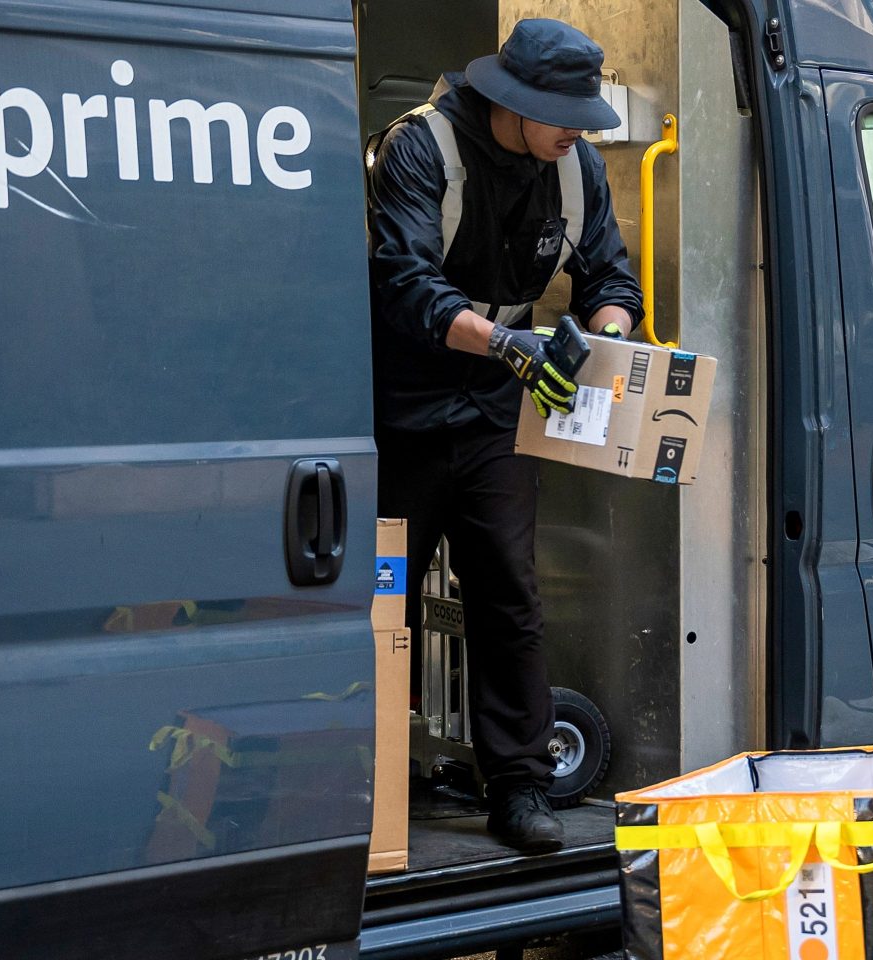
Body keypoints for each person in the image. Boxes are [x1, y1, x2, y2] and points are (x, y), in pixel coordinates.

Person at [367, 18, 645, 854]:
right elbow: (404, 283)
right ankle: (369, 778)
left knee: (508, 594)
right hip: (402, 402)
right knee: (385, 599)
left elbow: (608, 273)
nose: (579, 134)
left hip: (500, 407)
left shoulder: (574, 167)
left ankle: (519, 787)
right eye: (565, 116)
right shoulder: (421, 151)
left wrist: (604, 332)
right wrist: (508, 344)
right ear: (514, 101)